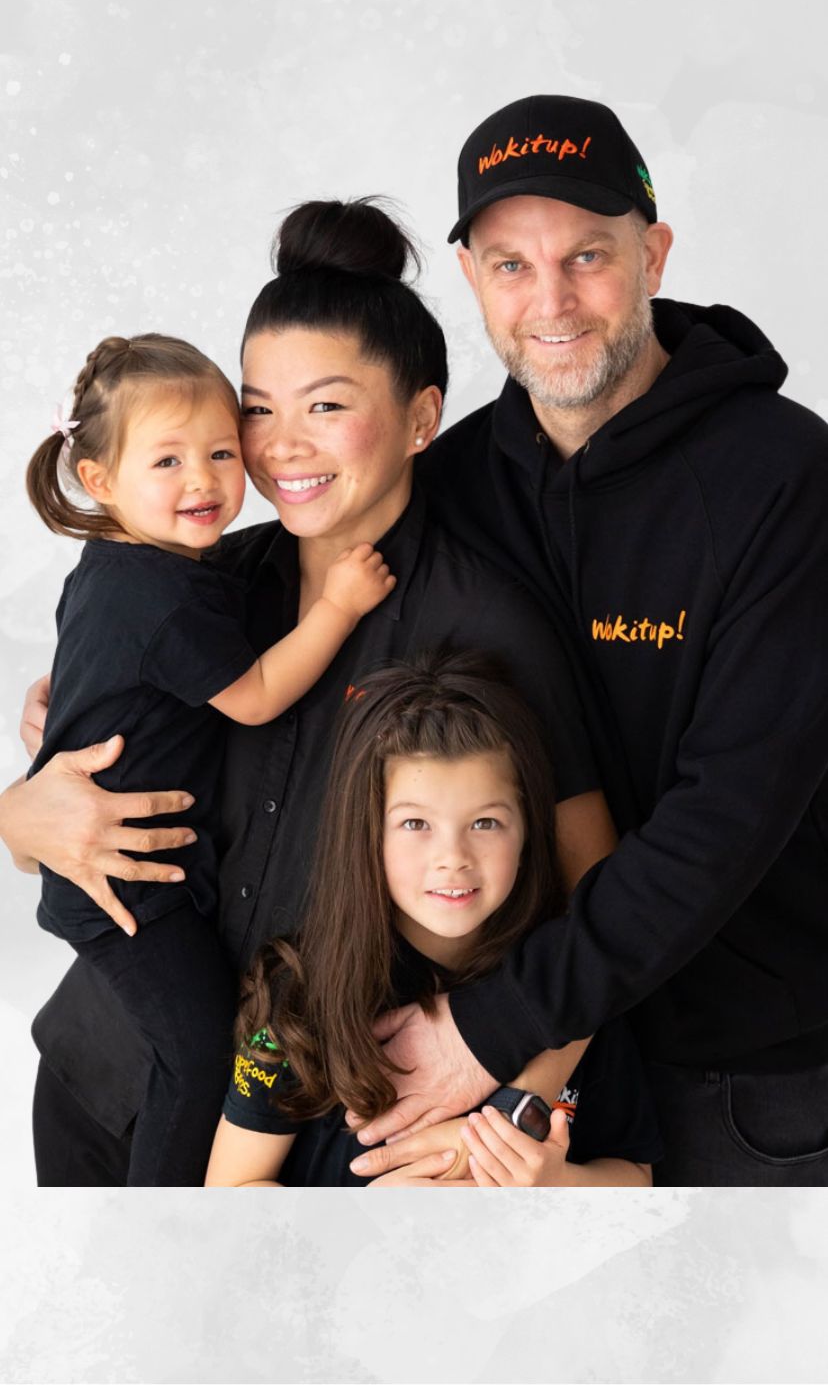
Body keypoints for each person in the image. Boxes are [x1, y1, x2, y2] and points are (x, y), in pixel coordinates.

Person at [2, 197, 613, 1185]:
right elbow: (70, 787)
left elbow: (601, 899)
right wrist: (21, 814)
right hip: (105, 1071)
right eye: (257, 408)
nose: (281, 444)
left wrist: (521, 1103)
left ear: (422, 418)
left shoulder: (489, 623)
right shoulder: (200, 585)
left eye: (326, 406)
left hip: (314, 1131)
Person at [349, 95, 828, 1186]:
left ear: (653, 255)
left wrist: (489, 1029)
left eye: (588, 257)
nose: (551, 300)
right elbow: (314, 586)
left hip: (743, 1077)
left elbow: (728, 813)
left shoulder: (785, 479)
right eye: (512, 265)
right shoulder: (456, 483)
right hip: (516, 1073)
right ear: (471, 277)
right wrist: (106, 684)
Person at [23, 332, 394, 1185]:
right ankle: (168, 1217)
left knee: (192, 1044)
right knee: (195, 1056)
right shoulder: (160, 594)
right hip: (126, 887)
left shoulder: (126, 566)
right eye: (168, 461)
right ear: (99, 480)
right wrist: (337, 607)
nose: (203, 480)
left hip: (124, 874)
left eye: (222, 452)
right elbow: (257, 696)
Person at [205, 652, 659, 1187]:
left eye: (485, 822)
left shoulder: (563, 980)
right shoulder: (300, 992)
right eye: (415, 823)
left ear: (528, 833)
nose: (453, 857)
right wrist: (356, 1219)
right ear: (367, 832)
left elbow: (636, 1177)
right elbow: (230, 1194)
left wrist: (555, 1185)